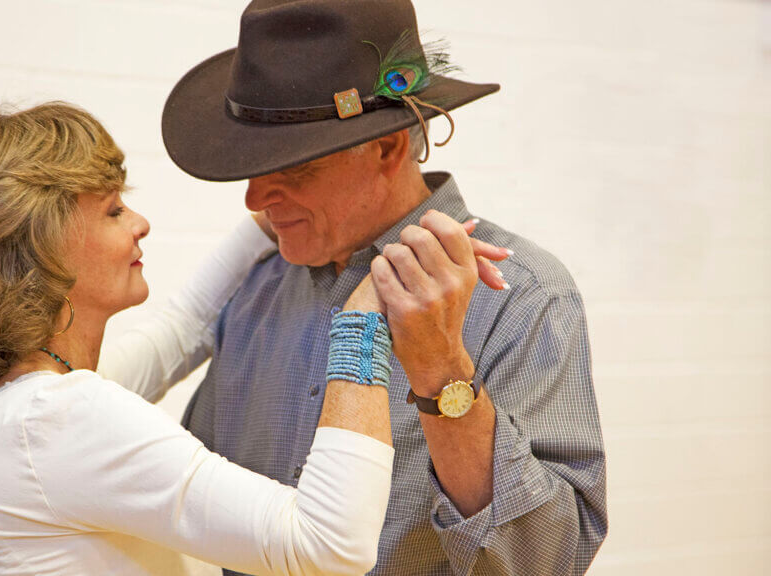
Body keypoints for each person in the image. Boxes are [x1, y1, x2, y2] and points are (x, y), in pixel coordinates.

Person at [0, 101, 510, 575]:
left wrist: (292, 210)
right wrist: (364, 318)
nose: (141, 222)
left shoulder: (11, 402)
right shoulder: (61, 417)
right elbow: (329, 546)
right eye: (112, 210)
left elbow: (181, 327)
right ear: (40, 245)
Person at [159, 1, 608, 575]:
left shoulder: (524, 296)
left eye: (292, 167)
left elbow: (547, 562)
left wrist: (441, 369)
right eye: (252, 165)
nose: (253, 202)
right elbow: (189, 495)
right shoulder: (258, 292)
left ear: (389, 148)